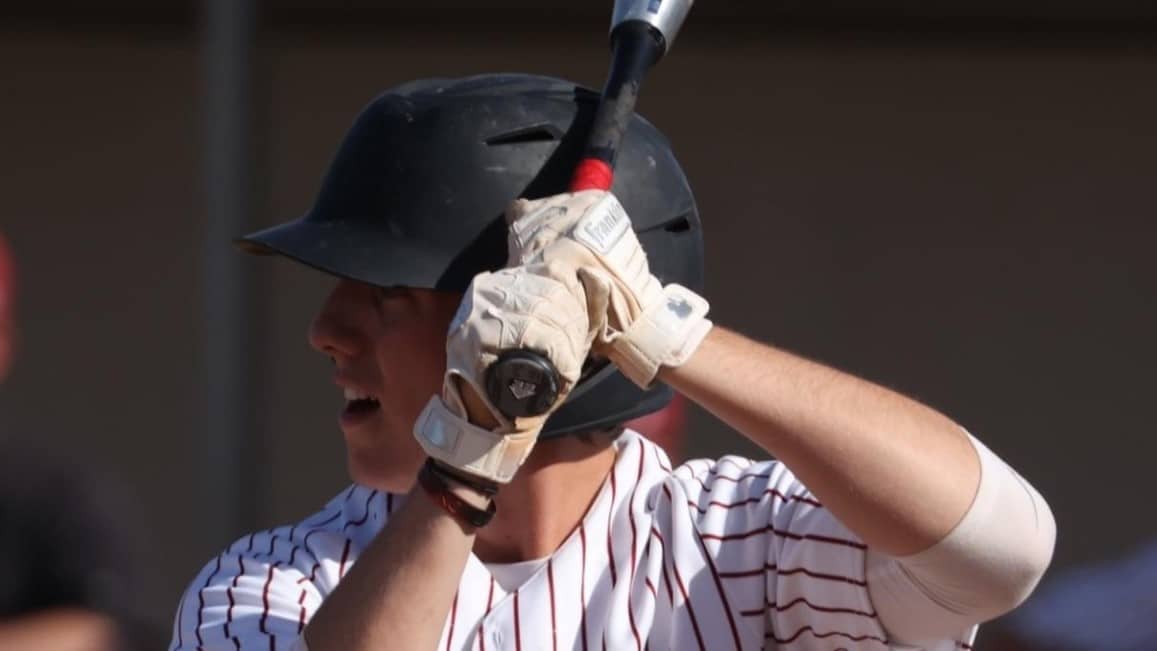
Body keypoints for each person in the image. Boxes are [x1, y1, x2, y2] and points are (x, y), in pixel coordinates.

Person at [169, 74, 1055, 651]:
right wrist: (464, 464)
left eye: (387, 291)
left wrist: (664, 332)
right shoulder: (273, 579)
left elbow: (1001, 550)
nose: (326, 328)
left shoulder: (730, 537)